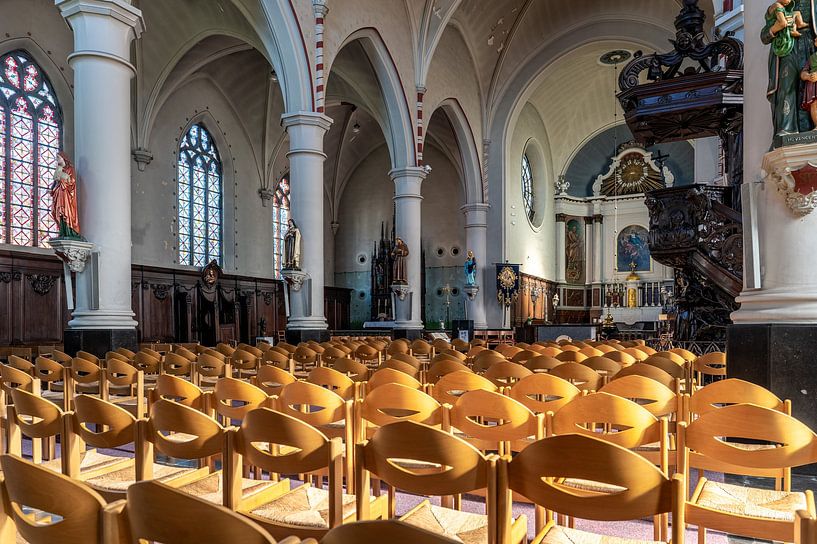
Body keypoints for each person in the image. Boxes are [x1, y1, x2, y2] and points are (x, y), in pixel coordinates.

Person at [50, 152, 81, 239]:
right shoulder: (58, 169)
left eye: (58, 158)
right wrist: (52, 189)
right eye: (56, 158)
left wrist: (63, 178)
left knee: (66, 212)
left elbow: (72, 181)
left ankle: (69, 232)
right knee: (58, 212)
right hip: (58, 193)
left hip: (66, 194)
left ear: (63, 158)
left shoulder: (70, 168)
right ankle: (62, 232)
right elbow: (55, 181)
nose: (57, 160)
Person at [802, 36, 817, 124]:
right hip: (812, 85)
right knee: (814, 105)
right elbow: (804, 71)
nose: (815, 39)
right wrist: (807, 76)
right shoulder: (812, 58)